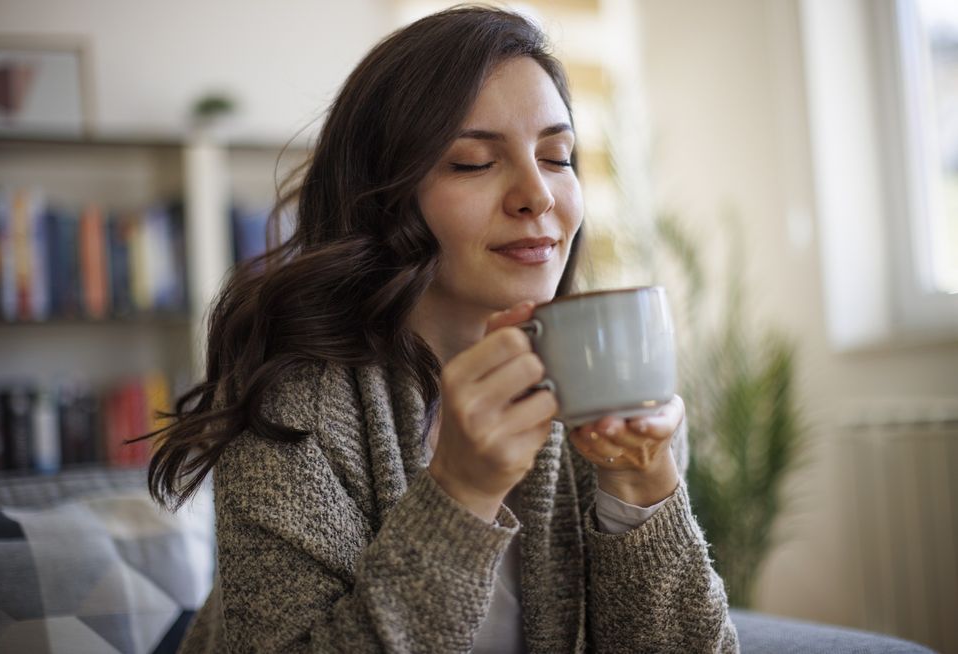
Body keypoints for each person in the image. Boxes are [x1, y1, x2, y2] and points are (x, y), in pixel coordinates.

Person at [145, 5, 739, 652]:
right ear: (384, 199)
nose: (536, 195)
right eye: (474, 162)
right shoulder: (294, 404)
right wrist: (461, 491)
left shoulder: (603, 385)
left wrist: (643, 492)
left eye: (557, 155)